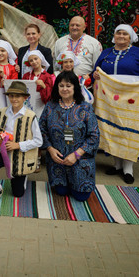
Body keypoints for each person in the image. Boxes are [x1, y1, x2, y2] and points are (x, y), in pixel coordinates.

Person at [92, 24, 139, 184]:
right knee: (111, 129)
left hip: (132, 99)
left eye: (125, 33)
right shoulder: (106, 53)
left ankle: (128, 168)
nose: (121, 36)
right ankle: (117, 165)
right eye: (118, 32)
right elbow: (95, 71)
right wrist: (96, 75)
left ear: (131, 37)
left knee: (130, 130)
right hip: (109, 100)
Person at [39, 71, 100, 201]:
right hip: (58, 160)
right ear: (57, 88)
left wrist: (76, 154)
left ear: (75, 87)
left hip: (80, 160)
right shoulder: (50, 106)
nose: (65, 89)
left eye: (68, 85)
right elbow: (41, 130)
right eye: (61, 86)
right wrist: (50, 149)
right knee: (61, 191)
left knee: (81, 196)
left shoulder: (85, 108)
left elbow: (94, 136)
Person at [0, 81, 42, 205]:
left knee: (18, 193)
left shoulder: (31, 116)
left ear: (25, 98)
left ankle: (22, 176)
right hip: (1, 151)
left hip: (19, 156)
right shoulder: (3, 111)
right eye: (11, 96)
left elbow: (39, 141)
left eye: (18, 96)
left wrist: (18, 145)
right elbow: (0, 130)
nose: (14, 99)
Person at [52, 16, 102, 80]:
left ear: (84, 27)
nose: (74, 27)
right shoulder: (59, 42)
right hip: (63, 83)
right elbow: (56, 65)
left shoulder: (94, 43)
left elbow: (97, 67)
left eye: (77, 25)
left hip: (85, 84)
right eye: (72, 25)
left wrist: (90, 78)